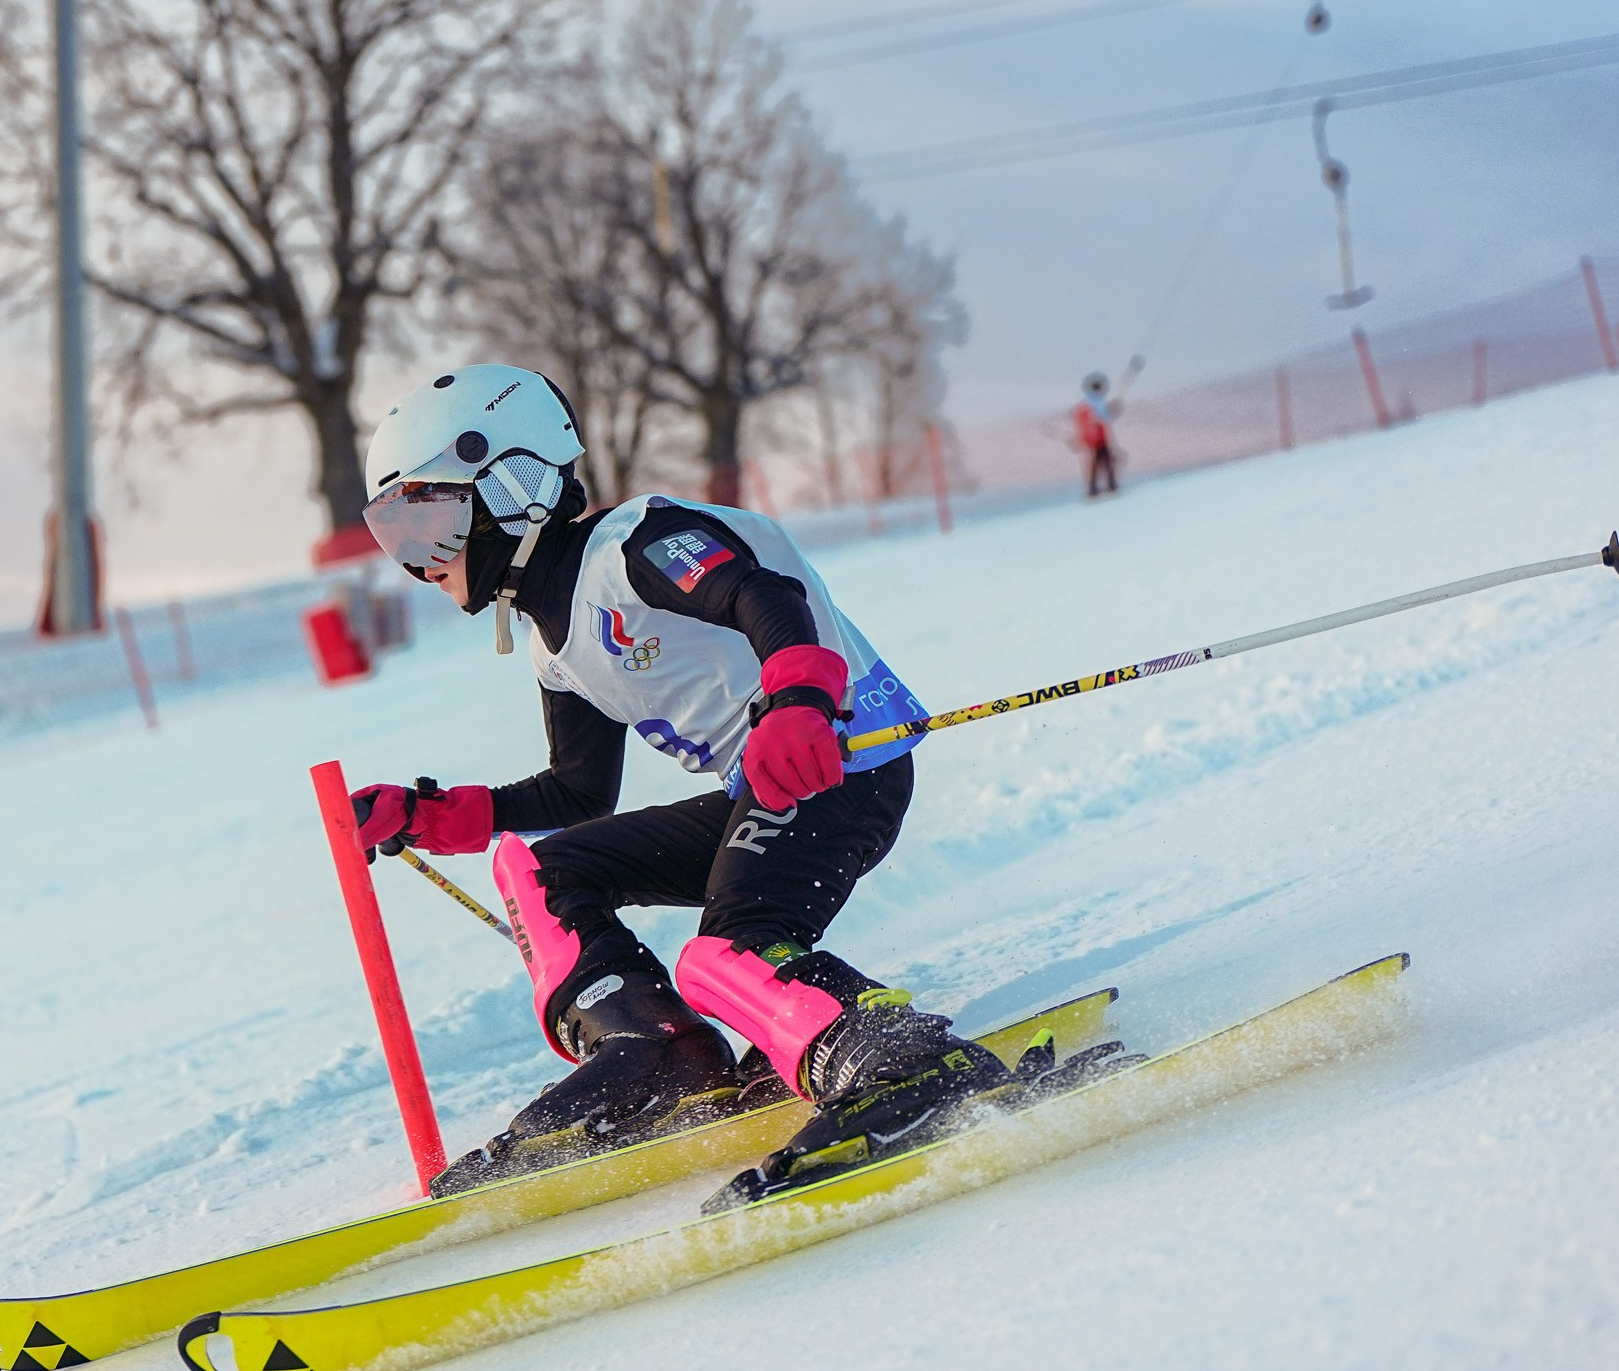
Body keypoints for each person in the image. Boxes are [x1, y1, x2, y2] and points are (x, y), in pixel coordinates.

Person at [352, 363, 1050, 1204]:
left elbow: (762, 593)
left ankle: (901, 1061)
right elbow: (579, 791)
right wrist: (436, 815)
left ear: (511, 483)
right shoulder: (552, 640)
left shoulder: (633, 545)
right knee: (541, 869)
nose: (417, 563)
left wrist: (797, 699)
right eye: (396, 535)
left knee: (723, 953)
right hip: (758, 787)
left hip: (838, 759)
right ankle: (659, 1054)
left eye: (425, 523)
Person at [1073, 372, 1119, 498]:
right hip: (1099, 438)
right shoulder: (1097, 402)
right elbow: (1103, 417)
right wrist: (1112, 411)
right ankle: (1110, 485)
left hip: (1091, 439)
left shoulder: (1084, 403)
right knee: (1106, 461)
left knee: (1096, 462)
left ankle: (1093, 488)